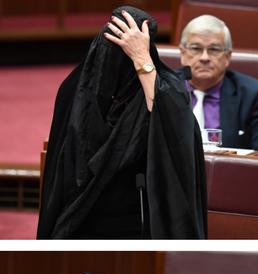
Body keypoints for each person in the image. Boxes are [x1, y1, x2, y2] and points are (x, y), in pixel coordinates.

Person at [37, 6, 206, 239]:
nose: (117, 62)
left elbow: (171, 127)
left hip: (137, 220)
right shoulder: (75, 88)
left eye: (128, 52)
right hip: (78, 219)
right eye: (113, 49)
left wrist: (140, 58)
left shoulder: (165, 89)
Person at [179, 14, 258, 151]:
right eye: (196, 48)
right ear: (183, 53)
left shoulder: (252, 95)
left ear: (227, 57)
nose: (204, 57)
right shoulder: (162, 89)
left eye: (214, 49)